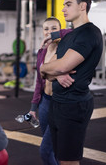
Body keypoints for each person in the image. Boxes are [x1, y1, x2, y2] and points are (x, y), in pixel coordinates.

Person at [40, 0, 103, 165]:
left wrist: (46, 67)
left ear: (82, 6)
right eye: (63, 5)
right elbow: (48, 75)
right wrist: (49, 70)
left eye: (68, 4)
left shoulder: (90, 33)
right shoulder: (69, 36)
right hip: (57, 103)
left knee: (69, 161)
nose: (63, 9)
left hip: (74, 105)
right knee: (59, 158)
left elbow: (62, 65)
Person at [29, 17, 71, 165]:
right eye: (46, 29)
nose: (49, 32)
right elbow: (39, 82)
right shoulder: (42, 52)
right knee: (53, 148)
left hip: (60, 103)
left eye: (54, 28)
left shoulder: (66, 48)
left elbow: (74, 31)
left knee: (45, 151)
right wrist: (34, 107)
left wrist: (55, 35)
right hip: (45, 103)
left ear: (60, 29)